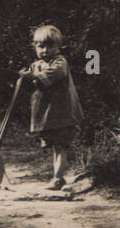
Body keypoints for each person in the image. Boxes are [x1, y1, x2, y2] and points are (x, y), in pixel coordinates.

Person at [20, 25, 84, 190]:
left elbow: (54, 74)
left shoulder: (60, 61)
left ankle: (58, 177)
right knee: (55, 145)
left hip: (62, 111)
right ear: (35, 47)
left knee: (61, 145)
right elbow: (34, 86)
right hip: (47, 114)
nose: (45, 50)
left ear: (58, 47)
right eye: (41, 46)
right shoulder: (36, 65)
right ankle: (58, 175)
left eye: (50, 46)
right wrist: (26, 79)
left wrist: (33, 76)